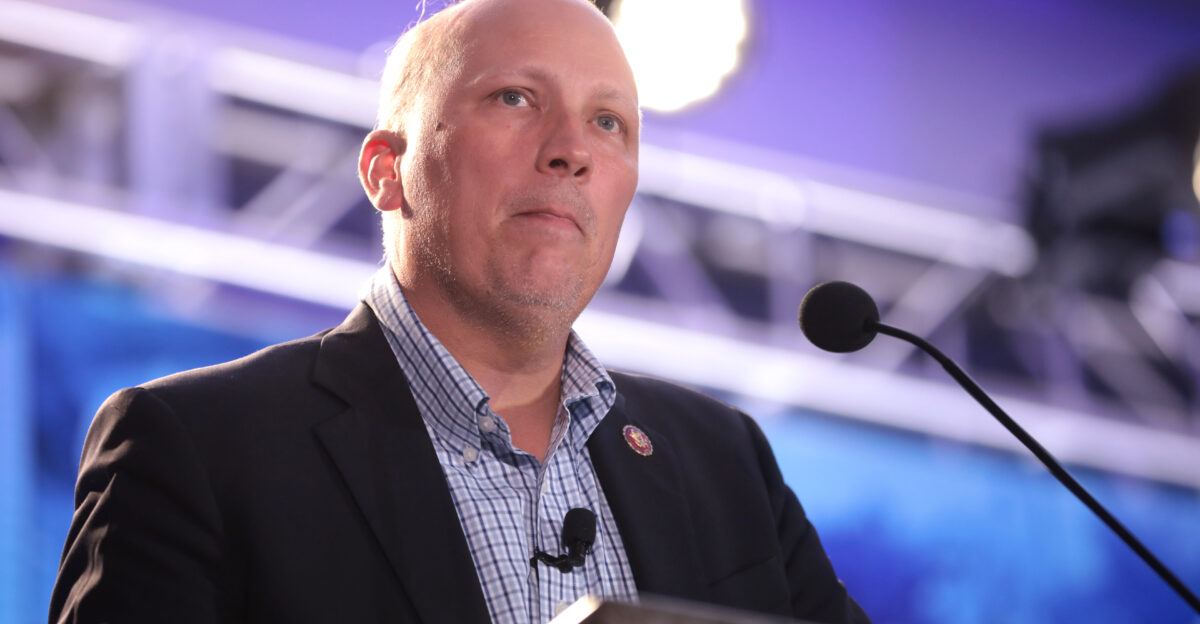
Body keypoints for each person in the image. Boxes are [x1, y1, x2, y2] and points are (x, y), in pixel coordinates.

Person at [49, 0, 870, 622]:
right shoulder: (196, 446)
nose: (572, 150)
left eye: (608, 121)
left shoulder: (723, 462)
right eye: (514, 98)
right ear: (386, 172)